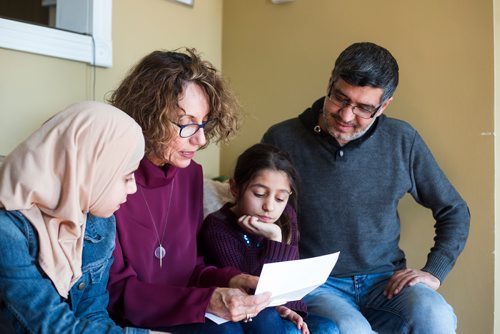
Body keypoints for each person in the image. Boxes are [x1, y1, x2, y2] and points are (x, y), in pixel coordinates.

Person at [261, 42, 470, 333]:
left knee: (435, 315)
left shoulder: (402, 140)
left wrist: (434, 272)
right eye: (339, 99)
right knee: (353, 329)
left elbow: (454, 210)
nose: (346, 116)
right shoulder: (283, 138)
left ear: (385, 105)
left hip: (386, 281)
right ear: (330, 83)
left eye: (364, 108)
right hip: (316, 284)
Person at [106, 48, 278, 334]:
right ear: (148, 117)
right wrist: (205, 301)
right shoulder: (111, 179)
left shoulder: (190, 174)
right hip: (139, 318)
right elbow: (117, 293)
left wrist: (232, 280)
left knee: (271, 321)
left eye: (204, 123)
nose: (199, 139)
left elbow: (190, 269)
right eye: (186, 125)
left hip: (186, 305)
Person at [0, 101, 145, 333]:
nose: (133, 189)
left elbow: (93, 315)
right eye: (126, 176)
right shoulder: (6, 232)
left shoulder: (98, 221)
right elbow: (53, 327)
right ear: (91, 169)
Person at [200, 143, 339, 334]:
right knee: (271, 320)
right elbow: (253, 287)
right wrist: (275, 239)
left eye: (280, 198)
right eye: (259, 194)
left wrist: (289, 308)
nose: (269, 206)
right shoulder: (217, 226)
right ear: (235, 188)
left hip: (278, 307)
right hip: (246, 311)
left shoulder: (286, 217)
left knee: (328, 328)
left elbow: (289, 278)